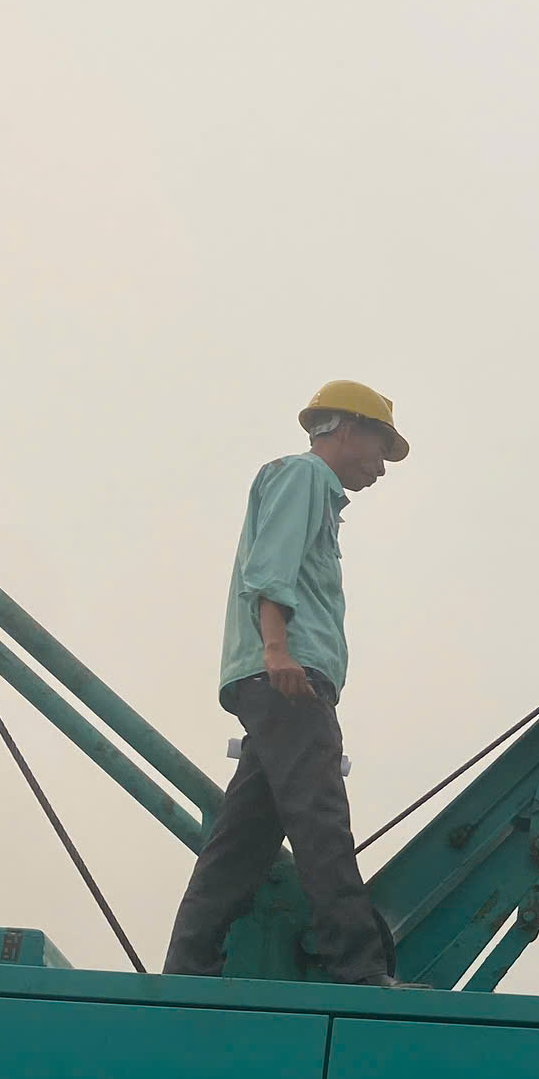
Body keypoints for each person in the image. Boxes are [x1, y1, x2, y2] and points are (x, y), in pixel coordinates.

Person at [163, 379, 410, 987]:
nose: (382, 467)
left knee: (243, 840)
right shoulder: (304, 476)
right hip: (289, 677)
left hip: (280, 676)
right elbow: (269, 568)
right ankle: (357, 965)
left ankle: (189, 967)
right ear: (347, 428)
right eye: (380, 448)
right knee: (321, 816)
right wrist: (277, 650)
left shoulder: (310, 488)